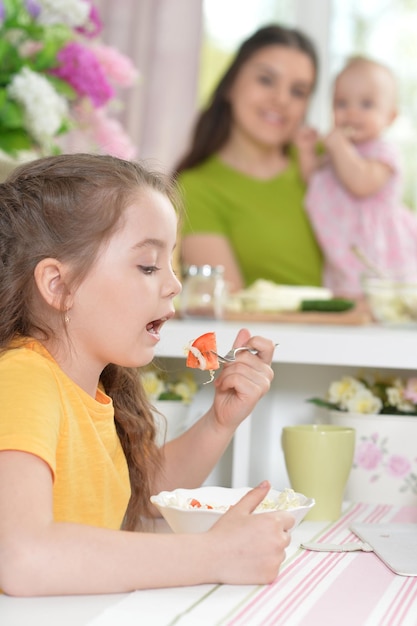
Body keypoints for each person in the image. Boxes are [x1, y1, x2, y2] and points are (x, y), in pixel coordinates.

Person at [0, 153, 293, 597]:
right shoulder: (23, 380)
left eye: (170, 263)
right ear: (58, 285)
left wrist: (220, 421)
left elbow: (147, 490)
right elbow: (21, 557)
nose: (174, 284)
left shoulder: (87, 388)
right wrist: (214, 554)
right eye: (149, 266)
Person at [175, 24, 323, 293]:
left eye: (298, 91)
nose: (281, 99)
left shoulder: (319, 163)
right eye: (266, 80)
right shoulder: (196, 188)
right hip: (271, 335)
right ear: (230, 84)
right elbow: (230, 307)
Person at [296, 55, 417, 297]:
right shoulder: (334, 154)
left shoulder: (382, 152)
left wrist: (339, 148)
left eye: (366, 105)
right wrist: (306, 152)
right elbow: (315, 181)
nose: (351, 113)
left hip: (378, 251)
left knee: (385, 301)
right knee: (347, 302)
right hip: (344, 250)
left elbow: (361, 183)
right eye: (341, 104)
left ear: (390, 117)